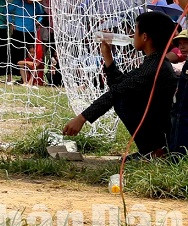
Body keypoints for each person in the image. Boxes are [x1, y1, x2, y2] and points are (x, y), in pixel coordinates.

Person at [64, 11, 179, 158]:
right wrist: (107, 56)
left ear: (144, 37)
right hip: (159, 127)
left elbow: (117, 92)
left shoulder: (155, 67)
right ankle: (150, 150)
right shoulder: (155, 62)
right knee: (122, 96)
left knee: (122, 99)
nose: (131, 36)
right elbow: (119, 85)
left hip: (161, 131)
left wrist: (81, 118)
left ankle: (155, 151)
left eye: (135, 30)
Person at [7, 0, 46, 84]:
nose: (30, 0)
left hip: (30, 32)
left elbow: (41, 15)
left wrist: (38, 21)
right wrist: (11, 22)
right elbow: (6, 11)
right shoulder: (17, 2)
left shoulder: (36, 5)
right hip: (18, 32)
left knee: (30, 55)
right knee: (15, 54)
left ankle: (28, 79)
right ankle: (13, 77)